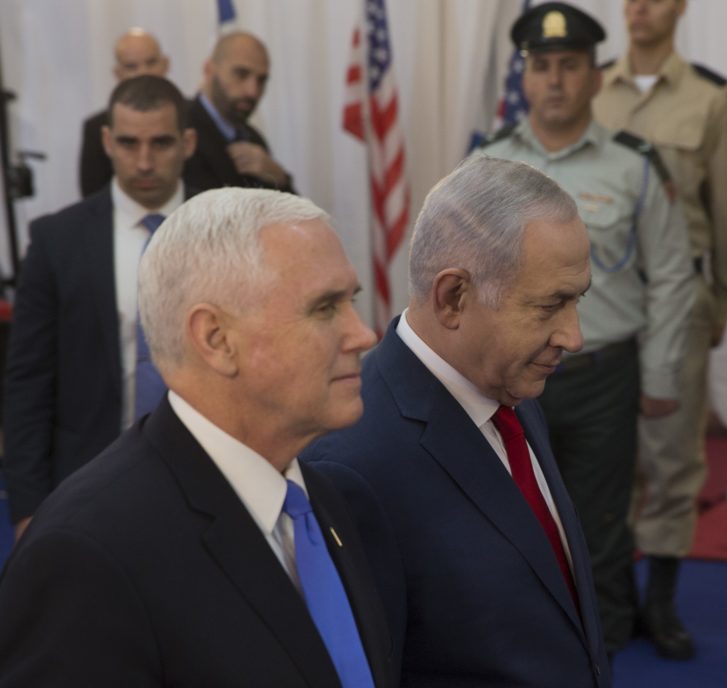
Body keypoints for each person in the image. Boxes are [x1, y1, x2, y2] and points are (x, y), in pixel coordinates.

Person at [0, 188, 396, 687]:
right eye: (324, 308)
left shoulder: (328, 502)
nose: (363, 334)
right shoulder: (85, 554)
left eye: (351, 302)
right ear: (215, 339)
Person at [303, 156, 612, 687]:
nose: (573, 336)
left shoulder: (512, 386)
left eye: (577, 300)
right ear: (453, 298)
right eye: (549, 306)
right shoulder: (349, 463)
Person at [472, 1, 692, 656]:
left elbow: (674, 275)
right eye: (542, 67)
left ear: (597, 77)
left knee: (599, 520)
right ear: (525, 77)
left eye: (570, 66)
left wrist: (659, 375)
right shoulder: (489, 167)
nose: (557, 81)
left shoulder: (633, 164)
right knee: (511, 517)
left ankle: (604, 643)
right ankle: (527, 644)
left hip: (601, 375)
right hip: (508, 380)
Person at [592, 0, 727, 660]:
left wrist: (720, 305)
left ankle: (663, 600)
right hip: (602, 304)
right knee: (605, 459)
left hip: (679, 303)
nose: (639, 8)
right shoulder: (592, 88)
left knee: (673, 460)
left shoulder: (711, 101)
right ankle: (616, 595)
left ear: (680, 7)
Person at [3, 75, 195, 542]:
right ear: (107, 141)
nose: (144, 160)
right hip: (86, 479)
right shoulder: (57, 241)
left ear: (187, 143)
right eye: (129, 143)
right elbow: (29, 382)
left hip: (207, 478)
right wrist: (28, 507)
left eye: (160, 142)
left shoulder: (231, 231)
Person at [184, 31, 294, 192]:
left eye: (261, 80)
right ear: (209, 70)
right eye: (241, 74)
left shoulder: (253, 139)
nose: (253, 91)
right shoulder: (180, 128)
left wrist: (279, 178)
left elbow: (293, 214)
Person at [78, 28, 171, 197]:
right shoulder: (96, 127)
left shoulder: (193, 116)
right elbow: (94, 200)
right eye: (131, 66)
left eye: (151, 62)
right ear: (118, 73)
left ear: (165, 65)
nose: (144, 72)